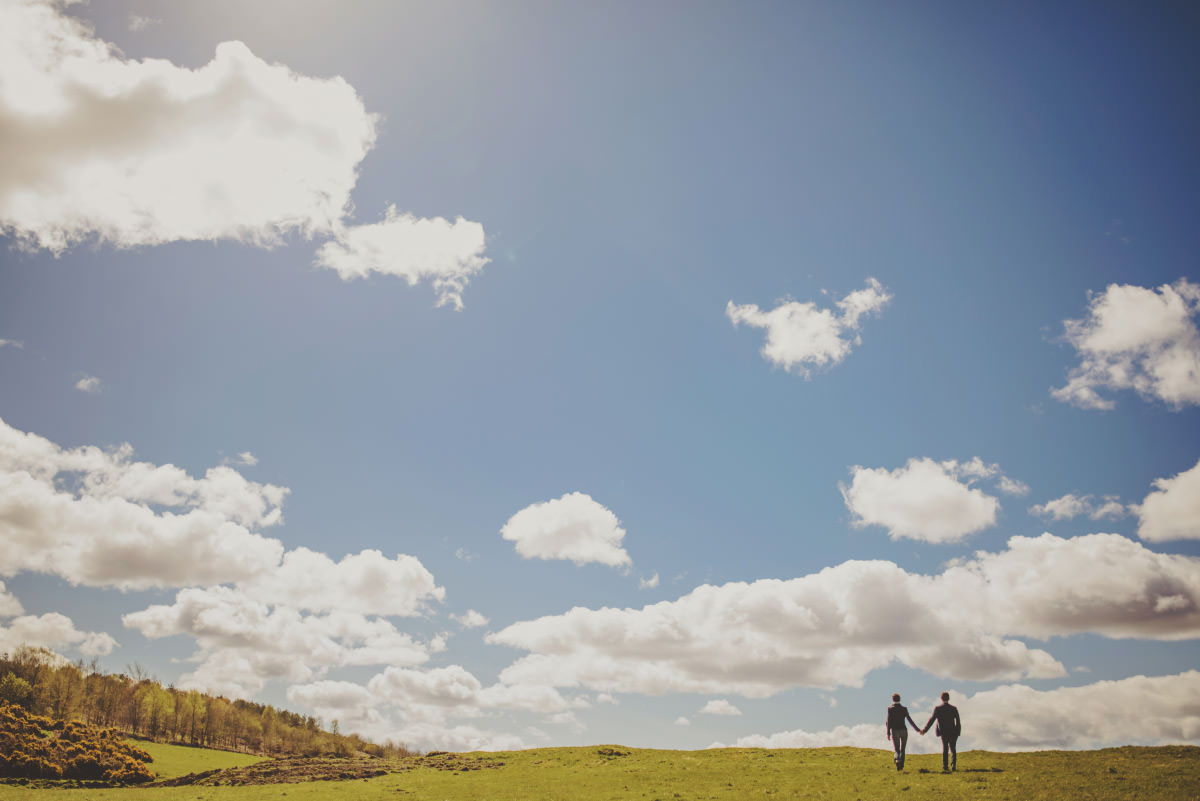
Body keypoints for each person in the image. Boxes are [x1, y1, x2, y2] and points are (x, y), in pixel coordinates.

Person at [922, 692, 962, 772]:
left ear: (941, 698)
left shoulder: (938, 708)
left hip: (943, 731)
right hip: (953, 731)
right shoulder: (953, 708)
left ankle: (945, 766)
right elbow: (958, 721)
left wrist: (925, 730)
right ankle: (953, 765)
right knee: (953, 749)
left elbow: (932, 720)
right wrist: (958, 731)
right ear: (949, 698)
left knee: (945, 748)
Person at [884, 693, 921, 771]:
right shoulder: (904, 708)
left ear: (892, 699)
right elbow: (910, 720)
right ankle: (901, 766)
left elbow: (888, 722)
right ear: (899, 699)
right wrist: (917, 729)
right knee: (903, 749)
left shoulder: (890, 709)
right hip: (904, 730)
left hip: (895, 731)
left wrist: (888, 733)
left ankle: (897, 760)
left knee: (897, 749)